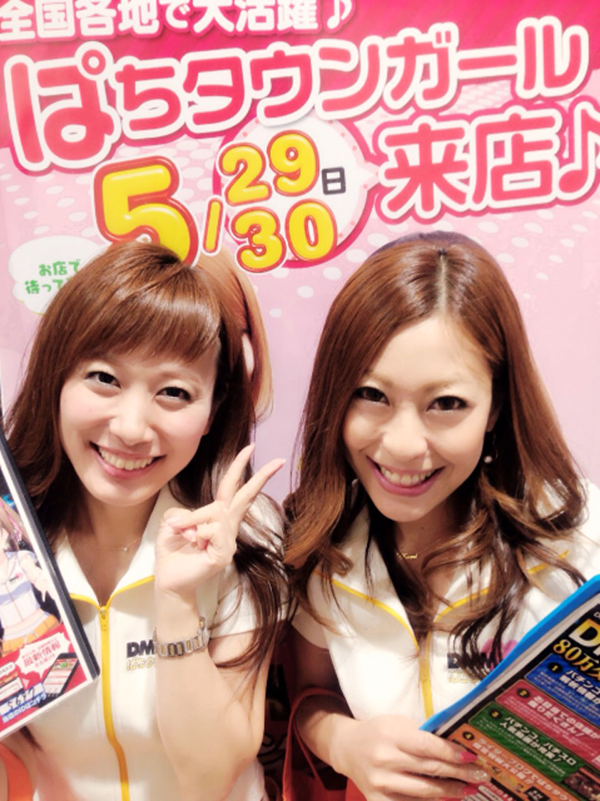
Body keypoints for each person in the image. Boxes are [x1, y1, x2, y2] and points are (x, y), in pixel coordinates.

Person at [284, 231, 599, 801]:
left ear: (496, 405)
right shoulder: (322, 540)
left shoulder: (579, 536)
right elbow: (311, 693)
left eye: (447, 404)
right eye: (371, 395)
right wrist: (346, 744)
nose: (404, 446)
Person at [1, 240, 286, 801]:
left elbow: (212, 777)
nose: (131, 428)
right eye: (104, 378)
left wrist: (177, 602)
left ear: (212, 411)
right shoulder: (13, 532)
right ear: (57, 379)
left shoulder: (245, 534)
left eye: (174, 392)